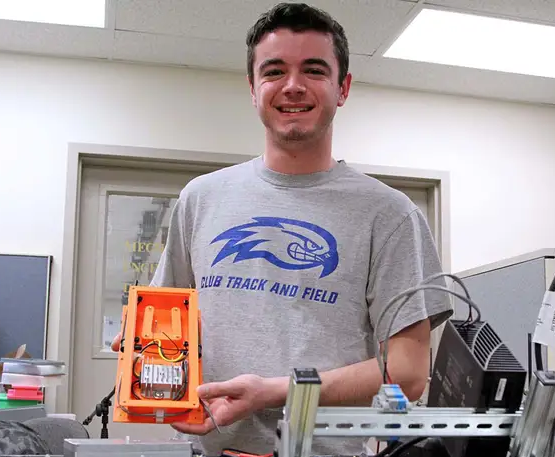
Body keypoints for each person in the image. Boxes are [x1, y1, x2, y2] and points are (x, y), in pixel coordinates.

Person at [111, 3, 453, 455]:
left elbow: (409, 373)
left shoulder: (391, 215)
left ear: (343, 87)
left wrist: (276, 391)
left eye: (314, 70)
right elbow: (167, 316)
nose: (293, 86)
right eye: (274, 71)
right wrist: (142, 344)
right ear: (253, 88)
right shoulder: (201, 198)